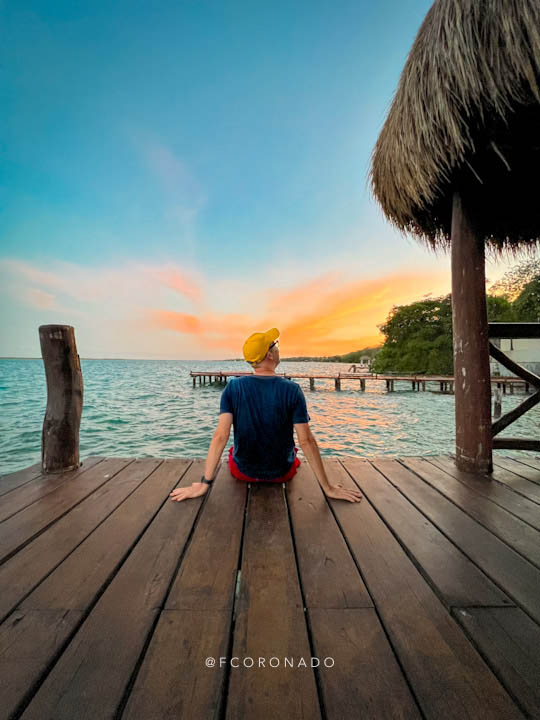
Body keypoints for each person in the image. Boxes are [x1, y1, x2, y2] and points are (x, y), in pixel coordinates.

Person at [169, 328, 362, 503]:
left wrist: (204, 483)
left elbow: (221, 436)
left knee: (233, 452)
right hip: (282, 473)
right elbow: (306, 441)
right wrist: (327, 488)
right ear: (269, 354)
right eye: (275, 345)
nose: (278, 349)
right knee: (292, 454)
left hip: (242, 472)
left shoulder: (233, 387)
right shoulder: (292, 390)